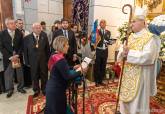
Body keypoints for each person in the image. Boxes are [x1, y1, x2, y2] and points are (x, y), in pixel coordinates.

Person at [117, 7, 161, 114]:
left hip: (141, 77)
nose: (131, 24)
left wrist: (129, 54)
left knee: (136, 106)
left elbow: (148, 57)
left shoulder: (150, 38)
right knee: (124, 104)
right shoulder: (130, 36)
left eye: (134, 21)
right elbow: (122, 51)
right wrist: (122, 53)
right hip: (127, 75)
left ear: (142, 22)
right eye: (131, 21)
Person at [45, 36, 85, 114]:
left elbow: (60, 68)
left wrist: (73, 67)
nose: (68, 46)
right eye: (67, 44)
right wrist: (81, 71)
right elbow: (68, 76)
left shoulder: (54, 54)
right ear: (62, 45)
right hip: (57, 90)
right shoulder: (60, 59)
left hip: (51, 87)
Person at [0, 18, 26, 98]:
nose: (14, 24)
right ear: (7, 25)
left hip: (18, 56)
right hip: (8, 58)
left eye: (14, 23)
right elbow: (1, 47)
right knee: (8, 74)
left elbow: (22, 45)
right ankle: (10, 89)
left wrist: (18, 54)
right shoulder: (2, 34)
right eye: (12, 23)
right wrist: (9, 57)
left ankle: (20, 87)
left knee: (20, 73)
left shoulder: (19, 32)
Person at [24, 23, 50, 97]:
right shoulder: (27, 38)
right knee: (34, 76)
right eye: (36, 28)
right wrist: (26, 61)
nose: (38, 29)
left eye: (39, 28)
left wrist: (48, 60)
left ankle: (44, 89)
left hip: (43, 60)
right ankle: (36, 90)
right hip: (32, 61)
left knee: (44, 75)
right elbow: (25, 51)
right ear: (33, 29)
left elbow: (47, 49)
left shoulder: (44, 36)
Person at [94, 19, 112, 87]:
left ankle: (101, 80)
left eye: (104, 23)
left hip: (105, 51)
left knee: (103, 66)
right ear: (100, 24)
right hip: (99, 50)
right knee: (97, 66)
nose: (103, 24)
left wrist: (110, 42)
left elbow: (108, 40)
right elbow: (94, 41)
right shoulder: (96, 32)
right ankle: (96, 81)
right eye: (102, 23)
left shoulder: (108, 32)